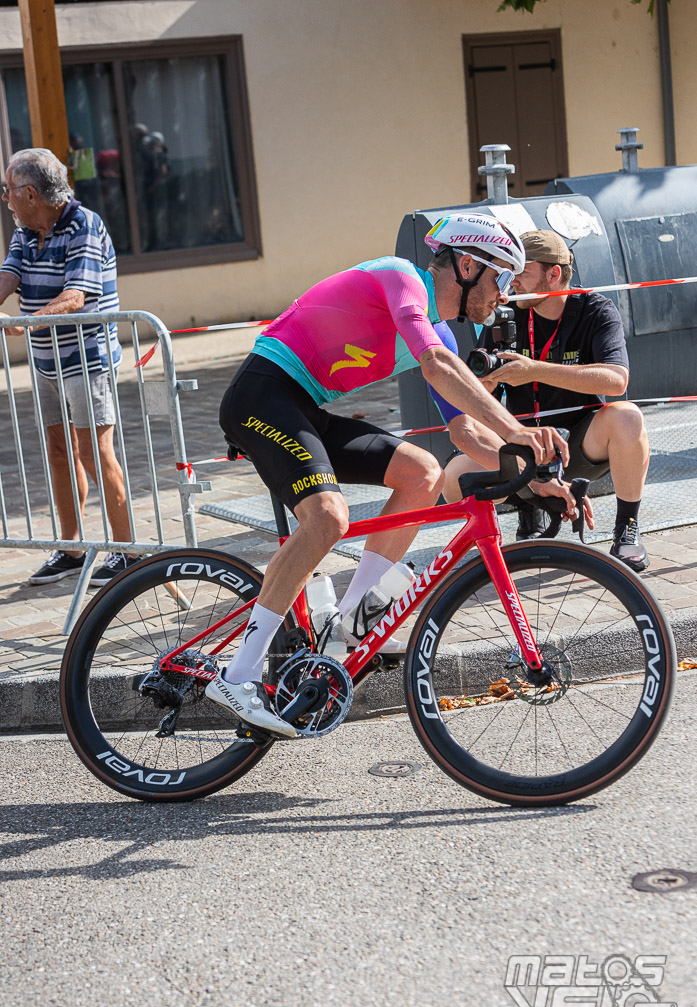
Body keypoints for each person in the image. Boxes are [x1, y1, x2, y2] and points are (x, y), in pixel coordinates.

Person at [208, 212, 572, 738]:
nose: (504, 295)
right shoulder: (401, 278)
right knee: (327, 519)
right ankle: (238, 675)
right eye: (502, 279)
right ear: (468, 265)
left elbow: (465, 431)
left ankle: (350, 618)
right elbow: (437, 368)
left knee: (421, 473)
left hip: (303, 405)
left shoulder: (435, 328)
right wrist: (519, 431)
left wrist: (533, 473)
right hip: (262, 396)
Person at [440, 228, 650, 571]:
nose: (512, 281)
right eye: (508, 269)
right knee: (452, 478)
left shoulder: (596, 310)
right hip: (521, 445)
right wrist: (487, 383)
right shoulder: (504, 312)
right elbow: (474, 394)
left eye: (522, 270)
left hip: (579, 443)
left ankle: (627, 529)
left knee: (627, 417)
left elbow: (617, 380)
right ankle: (518, 516)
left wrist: (535, 370)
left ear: (554, 274)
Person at [0, 148, 139, 586]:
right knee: (59, 452)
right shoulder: (25, 230)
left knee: (95, 453)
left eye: (8, 191)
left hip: (87, 359)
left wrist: (25, 323)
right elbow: (8, 276)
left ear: (30, 193)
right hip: (46, 362)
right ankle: (72, 549)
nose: (5, 199)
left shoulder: (85, 225)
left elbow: (77, 295)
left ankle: (127, 551)